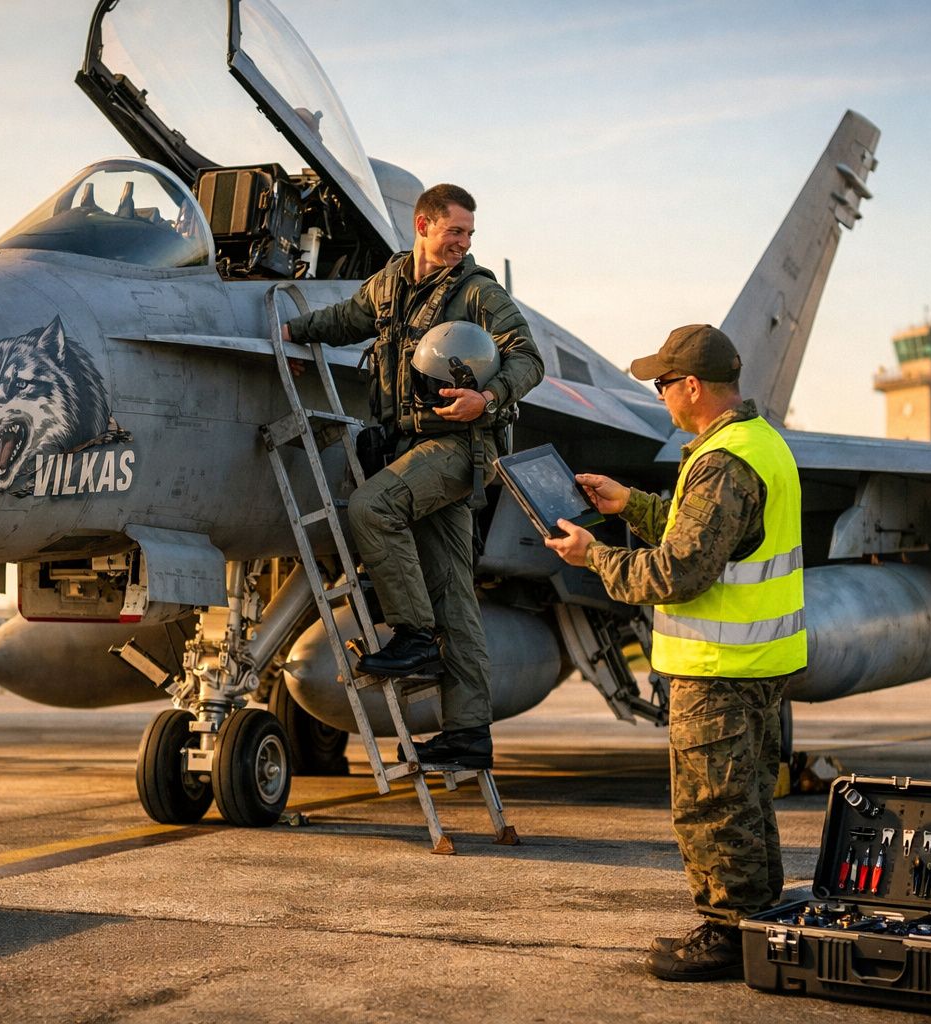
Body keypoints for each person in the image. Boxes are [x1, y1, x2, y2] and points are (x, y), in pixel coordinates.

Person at [543, 324, 805, 982]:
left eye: (661, 384)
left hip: (718, 669)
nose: (657, 395)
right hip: (753, 666)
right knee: (745, 799)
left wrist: (592, 556)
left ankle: (727, 931)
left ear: (692, 386)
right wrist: (631, 504)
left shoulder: (724, 461)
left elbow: (679, 573)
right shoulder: (755, 442)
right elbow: (711, 536)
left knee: (711, 804)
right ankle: (757, 916)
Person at [283, 183, 544, 768]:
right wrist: (294, 331)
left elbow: (528, 358)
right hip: (408, 446)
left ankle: (412, 635)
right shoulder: (391, 283)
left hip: (458, 445)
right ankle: (469, 734)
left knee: (372, 508)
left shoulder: (478, 294)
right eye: (455, 231)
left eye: (469, 234)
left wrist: (489, 397)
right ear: (423, 226)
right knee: (456, 597)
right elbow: (349, 318)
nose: (463, 243)